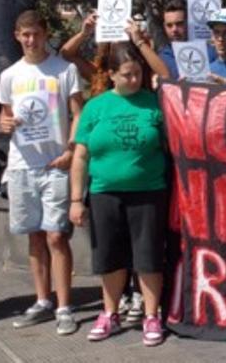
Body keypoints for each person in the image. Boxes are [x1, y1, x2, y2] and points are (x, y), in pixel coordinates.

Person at [69, 43, 167, 346]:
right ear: (112, 75)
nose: (135, 79)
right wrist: (75, 198)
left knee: (148, 258)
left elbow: (169, 146)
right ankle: (110, 313)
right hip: (104, 194)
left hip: (149, 193)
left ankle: (151, 316)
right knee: (109, 258)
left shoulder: (154, 104)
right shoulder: (95, 107)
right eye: (127, 75)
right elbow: (81, 156)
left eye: (138, 73)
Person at [0, 10, 83, 335]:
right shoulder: (9, 75)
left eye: (35, 33)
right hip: (22, 166)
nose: (30, 40)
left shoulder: (65, 70)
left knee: (57, 236)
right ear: (17, 36)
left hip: (55, 166)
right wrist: (5, 124)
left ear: (45, 33)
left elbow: (78, 112)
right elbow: (6, 118)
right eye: (24, 34)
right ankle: (42, 300)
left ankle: (64, 306)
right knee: (35, 236)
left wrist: (70, 150)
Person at [59, 11, 170, 82]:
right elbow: (66, 54)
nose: (119, 52)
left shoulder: (141, 75)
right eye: (113, 45)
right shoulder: (99, 76)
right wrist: (84, 34)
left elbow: (165, 75)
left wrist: (139, 41)